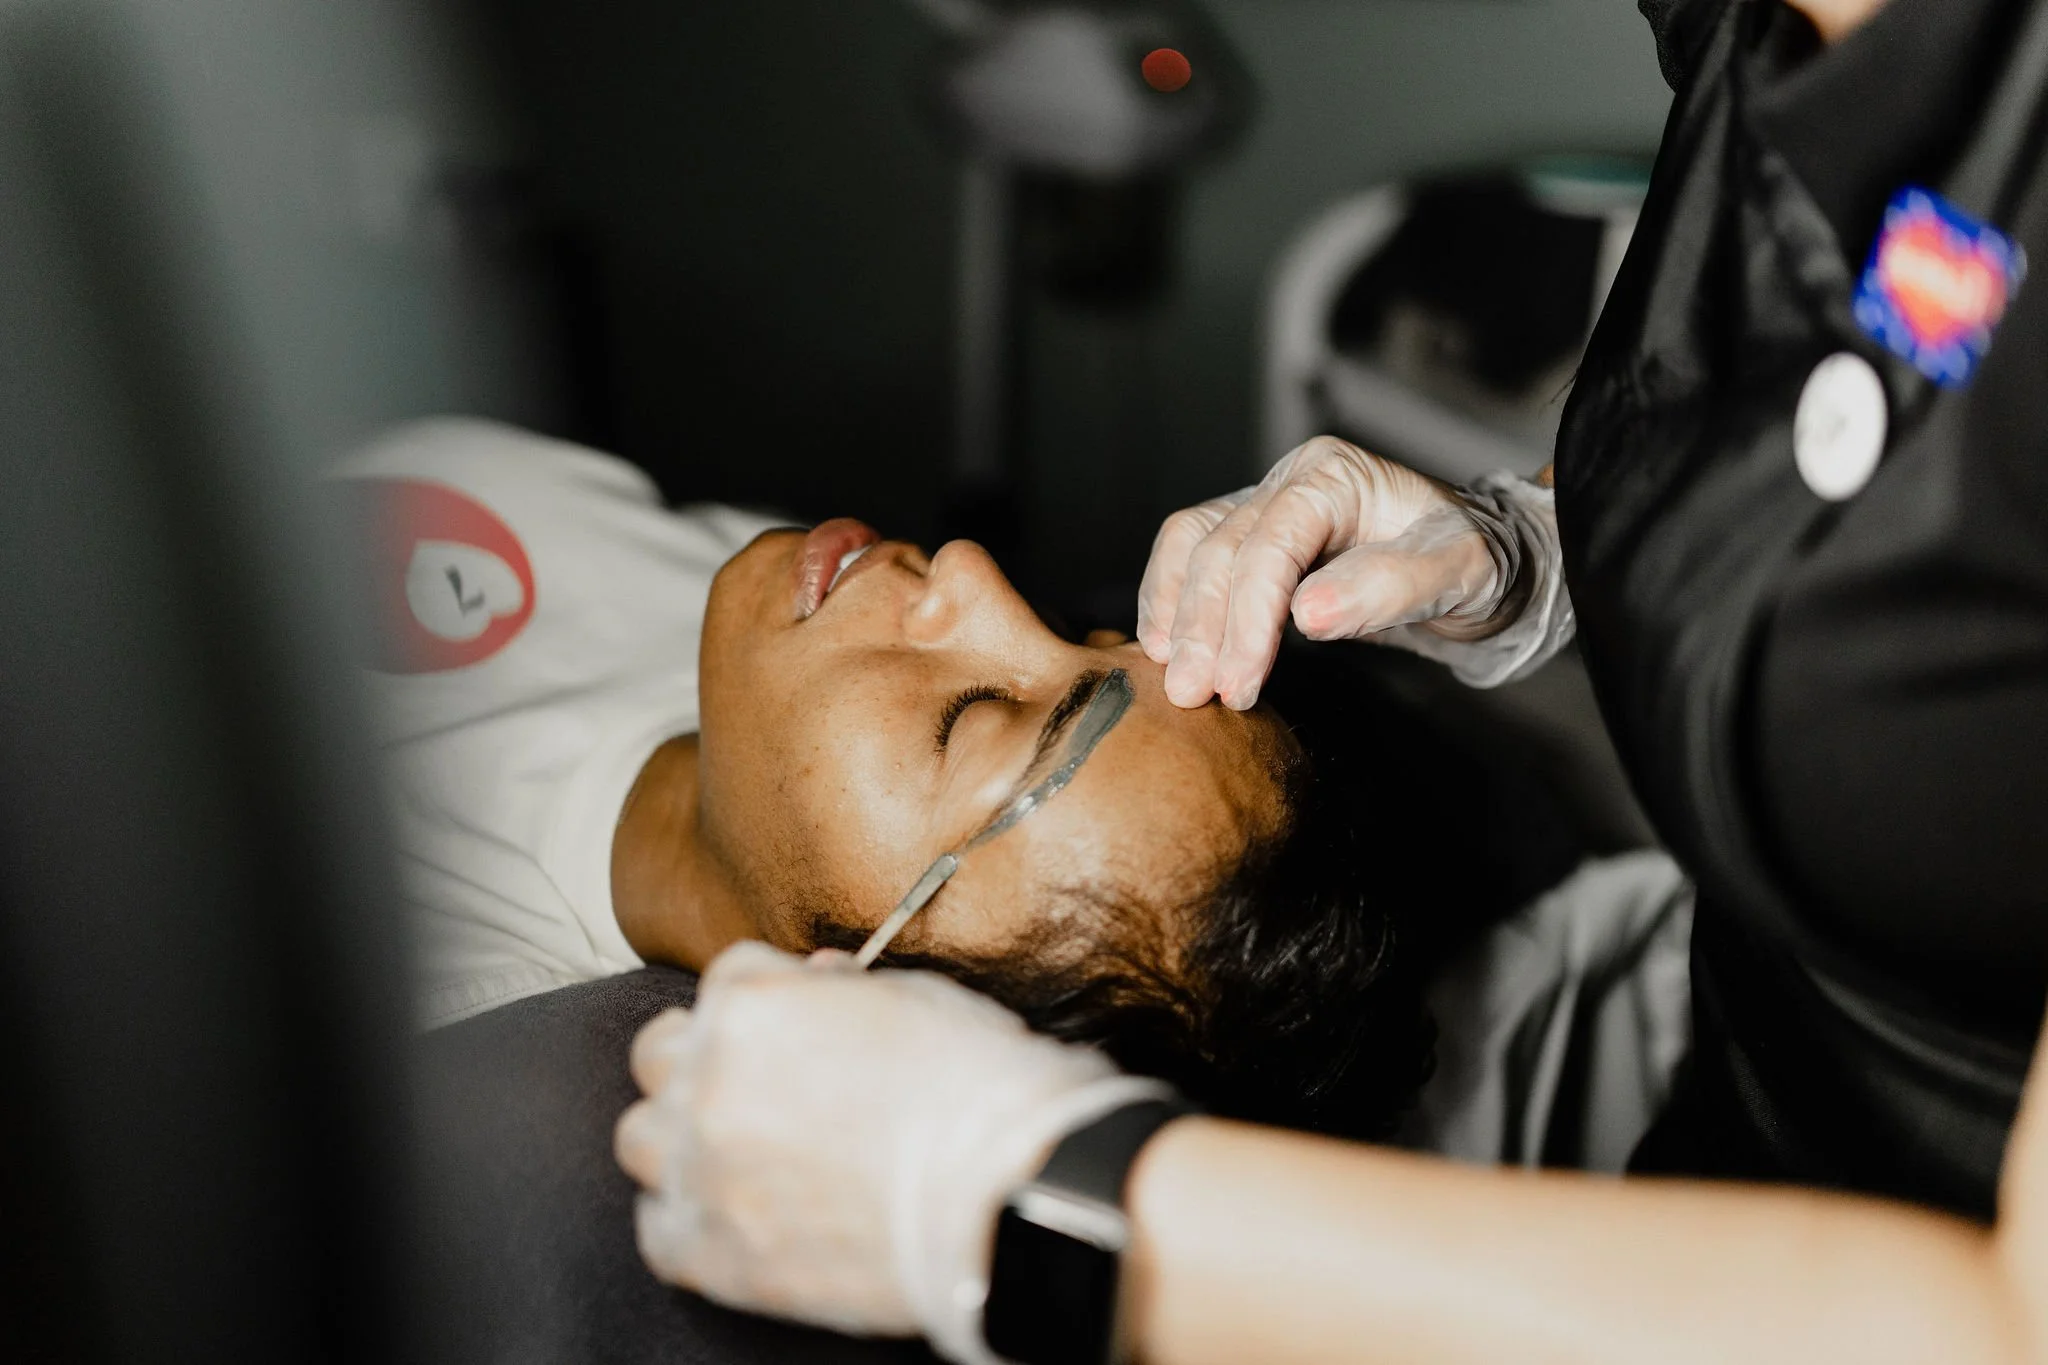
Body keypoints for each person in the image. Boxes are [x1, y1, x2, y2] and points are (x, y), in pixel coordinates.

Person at [614, 0, 2048, 1360]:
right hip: (1728, 1174)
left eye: (986, 720)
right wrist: (1549, 544)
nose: (978, 574)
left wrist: (1043, 1200)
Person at [338, 416, 1486, 1137]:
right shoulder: (757, 628)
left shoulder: (414, 1032)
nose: (972, 576)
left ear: (856, 998)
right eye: (1082, 641)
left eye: (973, 719)